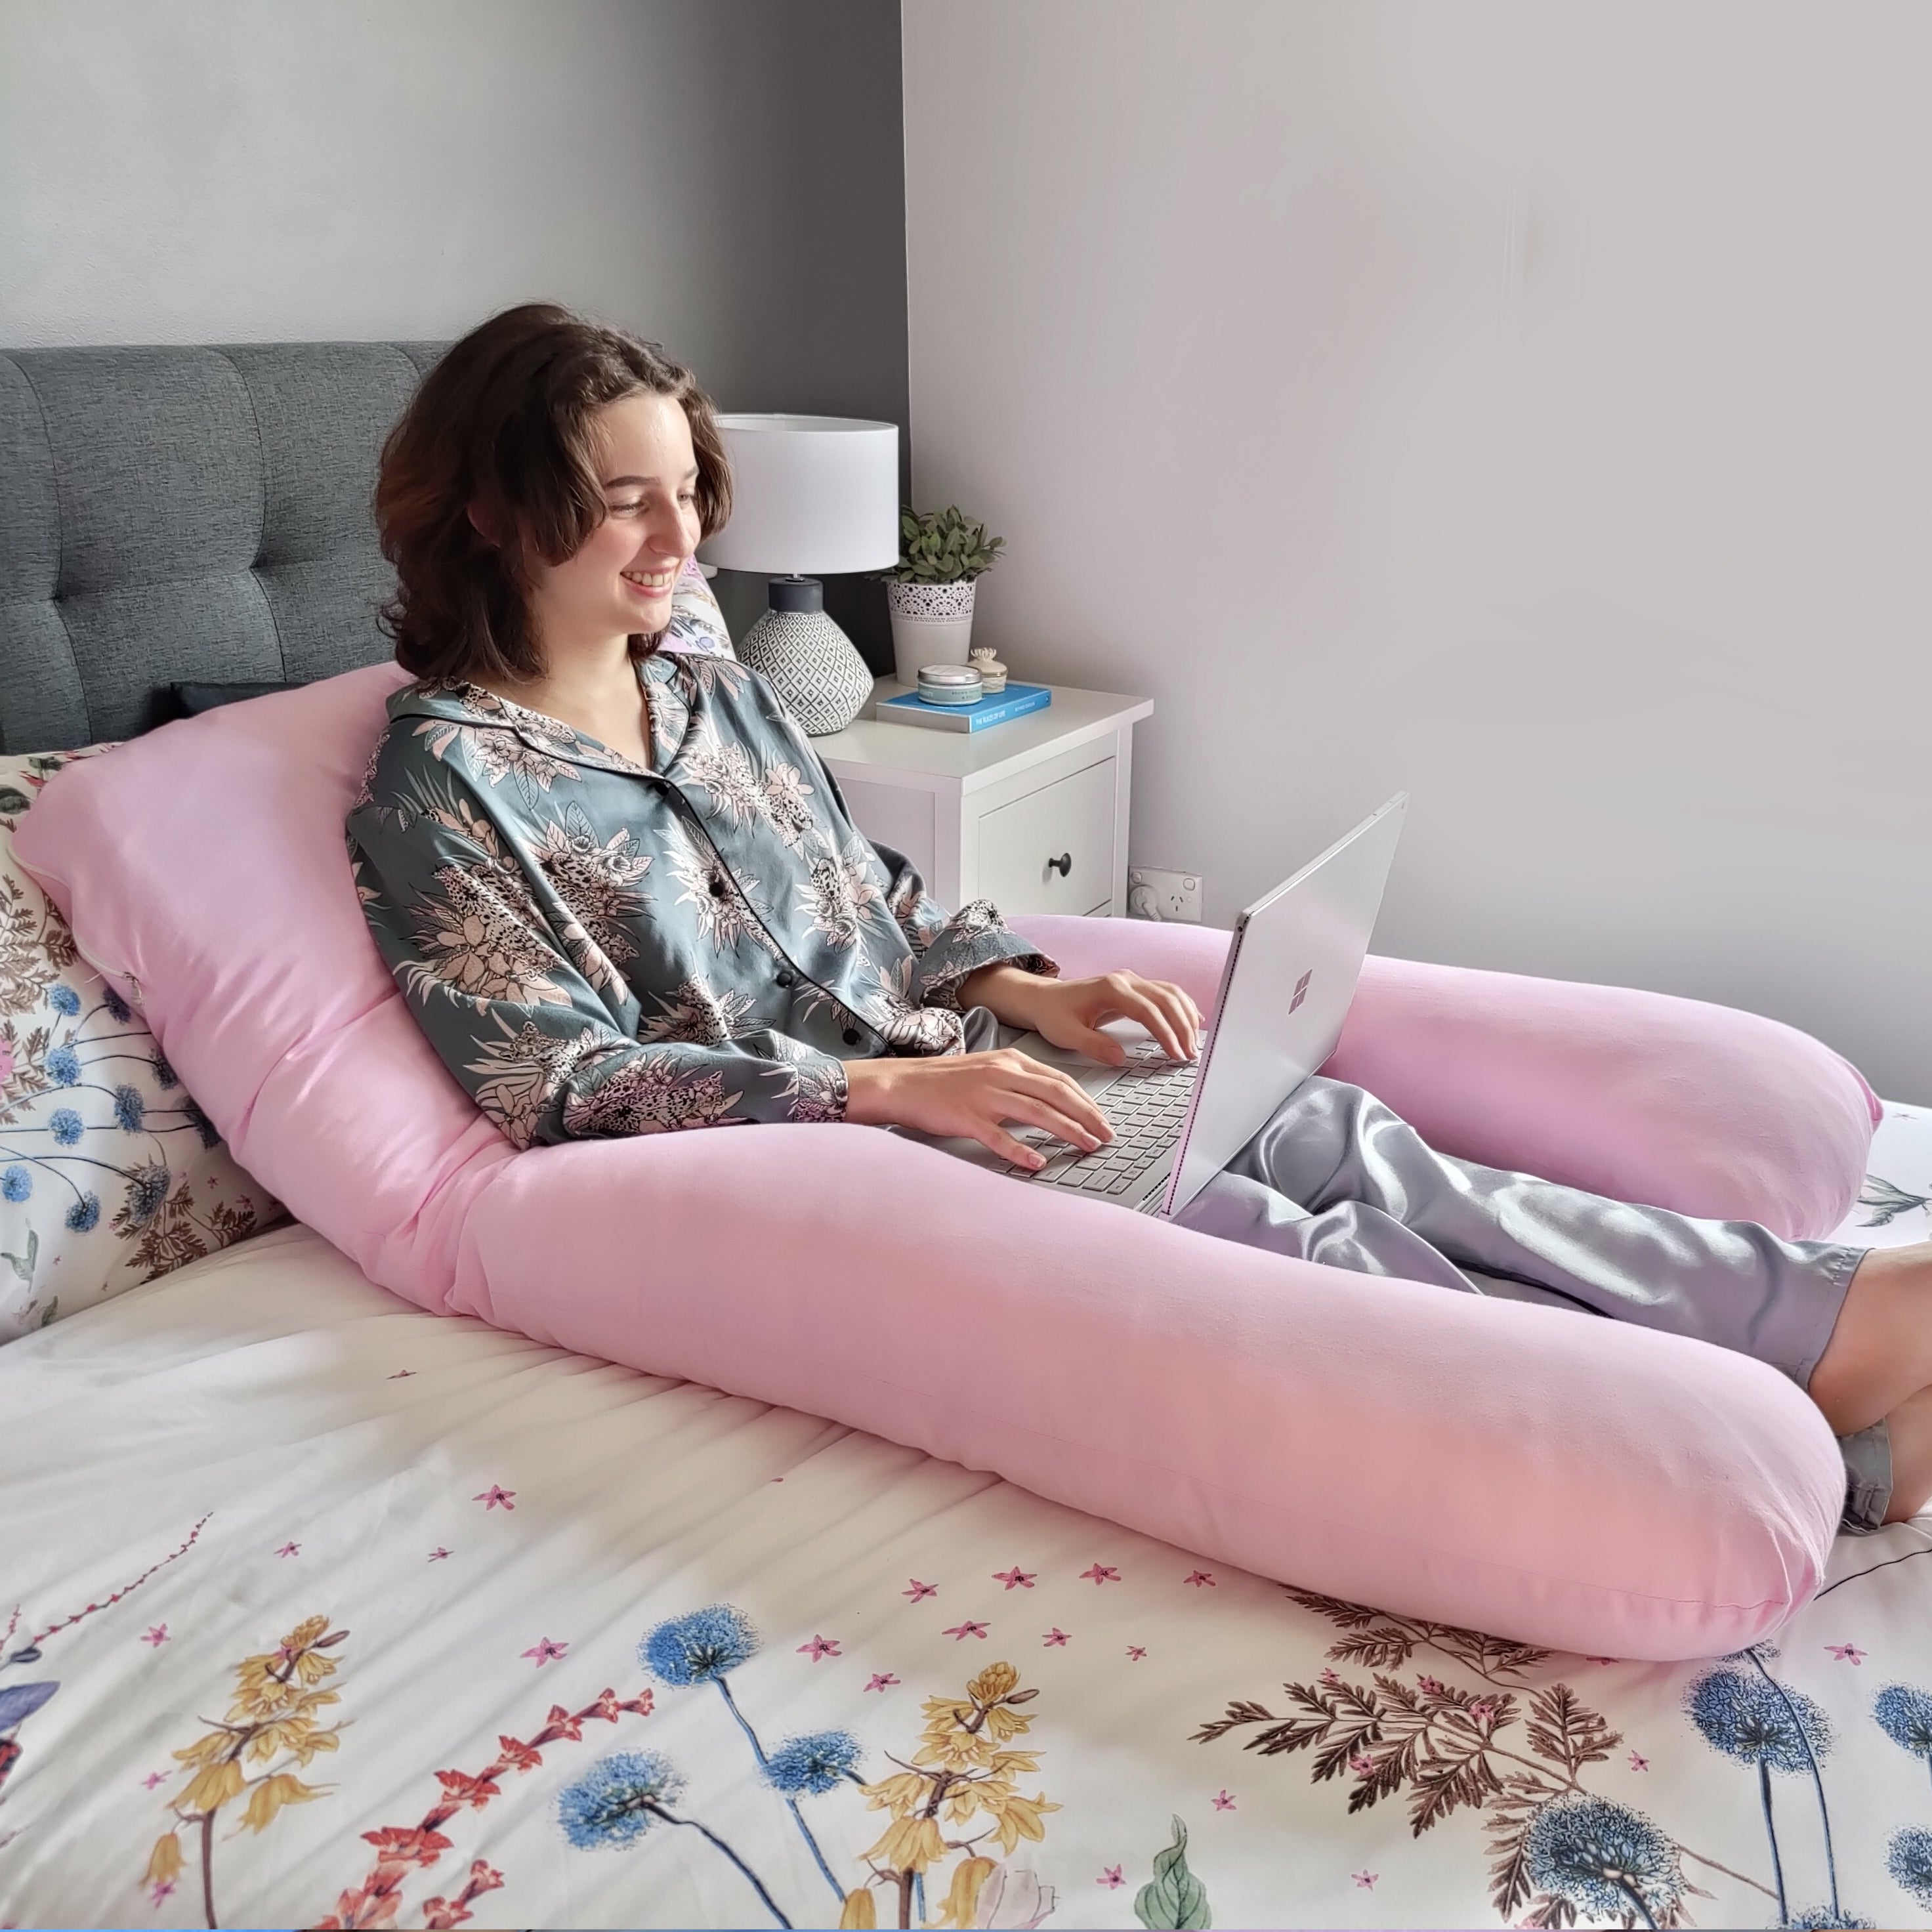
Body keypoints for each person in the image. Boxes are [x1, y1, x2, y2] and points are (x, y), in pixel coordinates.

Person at [349, 303, 1931, 1534]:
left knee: (1331, 1130)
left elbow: (864, 892)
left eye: (688, 491)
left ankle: (1816, 1326)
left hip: (945, 1058)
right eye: (626, 503)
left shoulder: (698, 660)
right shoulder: (449, 783)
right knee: (1277, 1236)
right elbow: (551, 1087)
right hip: (815, 1149)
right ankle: (1762, 1397)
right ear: (495, 511)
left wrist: (1021, 983)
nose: (681, 542)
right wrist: (876, 1088)